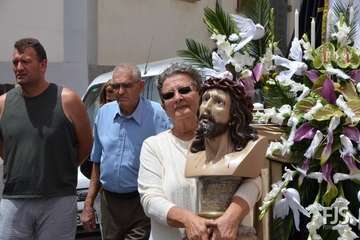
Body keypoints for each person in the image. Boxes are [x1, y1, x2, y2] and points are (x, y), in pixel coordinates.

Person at [138, 64, 262, 240]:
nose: (177, 98)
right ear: (163, 106)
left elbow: (254, 182)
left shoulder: (229, 137)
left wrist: (231, 218)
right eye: (169, 95)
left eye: (184, 90)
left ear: (200, 94)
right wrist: (189, 220)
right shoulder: (154, 146)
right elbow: (150, 199)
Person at [0, 38, 93, 240]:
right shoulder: (3, 103)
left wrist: (62, 166)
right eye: (15, 62)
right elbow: (4, 147)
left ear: (43, 65)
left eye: (25, 61)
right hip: (14, 201)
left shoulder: (67, 99)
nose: (19, 67)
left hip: (58, 200)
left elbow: (86, 144)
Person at [81, 63, 171, 240]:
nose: (120, 91)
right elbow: (97, 162)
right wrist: (88, 204)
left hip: (141, 203)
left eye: (126, 86)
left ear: (140, 86)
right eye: (116, 86)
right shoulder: (104, 113)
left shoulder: (157, 115)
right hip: (109, 204)